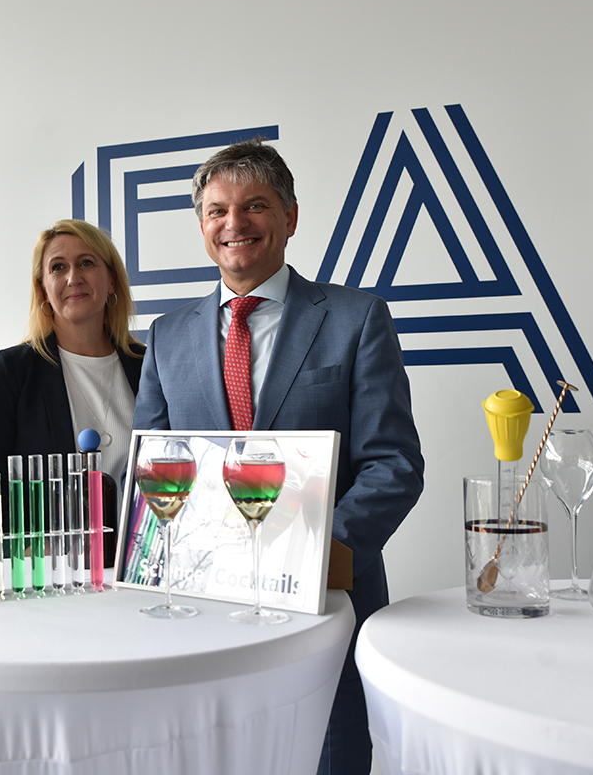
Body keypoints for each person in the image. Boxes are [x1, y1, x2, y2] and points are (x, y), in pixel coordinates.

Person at [133, 139, 423, 775]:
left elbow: (393, 464)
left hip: (324, 607)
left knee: (332, 758)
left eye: (254, 206)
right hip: (201, 617)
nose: (233, 224)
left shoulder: (357, 318)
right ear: (201, 225)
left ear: (290, 217)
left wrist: (315, 552)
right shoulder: (166, 334)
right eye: (215, 211)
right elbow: (154, 472)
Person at [0, 219, 143, 562]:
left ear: (111, 281)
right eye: (58, 267)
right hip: (51, 579)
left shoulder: (148, 366)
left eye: (87, 263)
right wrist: (25, 554)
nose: (73, 277)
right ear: (43, 288)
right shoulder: (12, 370)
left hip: (137, 568)